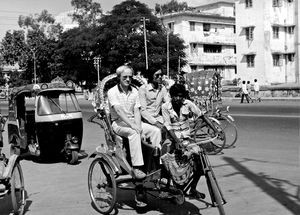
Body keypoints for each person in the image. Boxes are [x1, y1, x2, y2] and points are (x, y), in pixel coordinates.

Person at [107, 65, 162, 180]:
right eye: (125, 77)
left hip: (134, 121)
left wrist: (138, 126)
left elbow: (137, 110)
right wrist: (134, 126)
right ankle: (137, 166)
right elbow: (118, 111)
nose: (128, 79)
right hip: (119, 123)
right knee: (134, 133)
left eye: (130, 77)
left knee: (156, 131)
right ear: (119, 78)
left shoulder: (135, 91)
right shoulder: (112, 92)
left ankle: (157, 162)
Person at [161, 83, 206, 200]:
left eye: (181, 96)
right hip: (172, 138)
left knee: (201, 163)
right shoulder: (165, 107)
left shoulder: (188, 104)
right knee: (169, 162)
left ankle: (193, 188)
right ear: (172, 96)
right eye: (176, 96)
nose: (178, 98)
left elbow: (201, 115)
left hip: (187, 139)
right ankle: (173, 188)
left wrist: (195, 129)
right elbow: (168, 126)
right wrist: (176, 141)